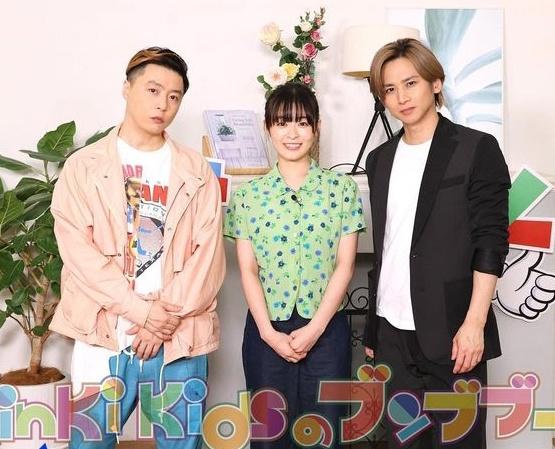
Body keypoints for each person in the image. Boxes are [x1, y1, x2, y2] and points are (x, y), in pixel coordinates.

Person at [49, 47, 226, 449]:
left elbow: (208, 258)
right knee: (90, 441)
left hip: (178, 334)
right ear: (126, 89)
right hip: (104, 333)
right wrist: (141, 312)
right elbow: (79, 254)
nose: (163, 104)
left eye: (174, 96)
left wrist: (161, 319)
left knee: (182, 442)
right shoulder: (83, 167)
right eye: (153, 90)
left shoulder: (196, 170)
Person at [362, 38, 510, 448]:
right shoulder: (379, 160)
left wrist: (474, 324)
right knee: (401, 441)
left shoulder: (477, 148)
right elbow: (387, 247)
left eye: (410, 83)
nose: (401, 97)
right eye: (390, 90)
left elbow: (491, 241)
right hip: (393, 333)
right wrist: (374, 331)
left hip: (453, 332)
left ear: (436, 83)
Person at [224, 82, 366, 448]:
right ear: (268, 127)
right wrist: (269, 333)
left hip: (326, 331)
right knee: (269, 436)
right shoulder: (248, 196)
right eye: (282, 122)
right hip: (265, 330)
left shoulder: (341, 190)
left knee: (324, 434)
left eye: (302, 123)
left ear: (316, 127)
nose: (292, 133)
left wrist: (315, 329)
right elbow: (248, 270)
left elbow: (345, 265)